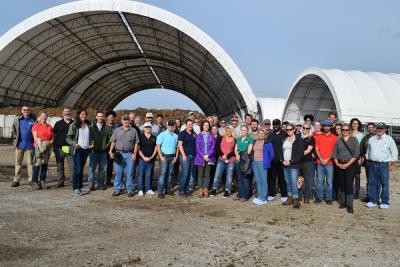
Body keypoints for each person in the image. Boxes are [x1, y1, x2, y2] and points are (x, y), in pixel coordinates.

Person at [365, 122, 398, 209]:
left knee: (384, 183)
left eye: (381, 128)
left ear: (385, 129)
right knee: (372, 183)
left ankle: (385, 202)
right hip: (372, 164)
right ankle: (373, 200)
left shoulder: (389, 139)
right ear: (376, 128)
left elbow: (394, 152)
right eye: (378, 128)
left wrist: (393, 164)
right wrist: (368, 159)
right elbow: (368, 151)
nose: (379, 130)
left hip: (384, 165)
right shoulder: (372, 139)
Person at [108, 114, 139, 197]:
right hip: (118, 154)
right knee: (118, 172)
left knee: (129, 173)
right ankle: (117, 189)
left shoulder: (133, 131)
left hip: (129, 154)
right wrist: (110, 151)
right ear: (121, 121)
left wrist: (135, 154)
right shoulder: (117, 130)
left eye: (127, 120)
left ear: (129, 121)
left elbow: (136, 143)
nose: (126, 121)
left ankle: (129, 190)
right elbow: (113, 141)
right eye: (124, 120)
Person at [332, 123, 360, 213]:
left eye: (346, 130)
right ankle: (343, 202)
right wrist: (337, 163)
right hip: (339, 164)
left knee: (349, 184)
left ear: (349, 131)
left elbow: (356, 154)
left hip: (350, 164)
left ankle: (350, 204)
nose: (344, 131)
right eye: (343, 130)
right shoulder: (338, 140)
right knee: (342, 183)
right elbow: (334, 153)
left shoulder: (354, 140)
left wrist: (348, 164)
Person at [67, 109, 93, 196]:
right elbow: (68, 138)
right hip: (78, 150)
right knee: (77, 169)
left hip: (86, 150)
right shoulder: (74, 125)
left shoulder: (89, 125)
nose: (84, 116)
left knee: (81, 169)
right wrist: (75, 144)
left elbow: (91, 137)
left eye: (85, 114)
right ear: (78, 115)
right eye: (82, 114)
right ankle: (75, 188)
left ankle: (80, 187)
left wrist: (91, 144)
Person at [11, 106, 36, 187]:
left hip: (30, 145)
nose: (26, 111)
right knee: (18, 163)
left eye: (28, 110)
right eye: (24, 110)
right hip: (19, 145)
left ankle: (31, 180)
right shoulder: (17, 120)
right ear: (21, 111)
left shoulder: (33, 120)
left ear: (30, 111)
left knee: (30, 164)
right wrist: (15, 139)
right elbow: (13, 130)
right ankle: (16, 180)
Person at [88, 111, 112, 191]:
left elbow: (111, 138)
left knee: (102, 169)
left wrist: (106, 145)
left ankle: (101, 184)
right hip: (93, 152)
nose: (100, 118)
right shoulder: (91, 127)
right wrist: (90, 145)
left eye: (102, 116)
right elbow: (88, 137)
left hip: (103, 152)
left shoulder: (107, 127)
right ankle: (91, 185)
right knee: (92, 169)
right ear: (96, 117)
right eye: (99, 116)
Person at [314, 120, 337, 204]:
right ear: (323, 126)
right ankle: (319, 197)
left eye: (328, 126)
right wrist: (321, 159)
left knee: (329, 182)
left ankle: (328, 198)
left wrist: (327, 159)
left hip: (330, 163)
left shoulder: (334, 137)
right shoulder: (318, 137)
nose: (326, 127)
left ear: (331, 126)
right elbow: (316, 149)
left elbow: (334, 150)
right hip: (320, 162)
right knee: (320, 181)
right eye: (325, 126)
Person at [281, 124, 304, 208]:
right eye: (287, 130)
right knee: (288, 182)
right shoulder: (284, 139)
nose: (289, 131)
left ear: (294, 130)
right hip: (285, 164)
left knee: (294, 182)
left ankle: (296, 200)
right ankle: (289, 198)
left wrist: (291, 161)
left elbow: (300, 154)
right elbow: (281, 151)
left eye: (290, 129)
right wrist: (282, 160)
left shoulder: (298, 140)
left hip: (294, 164)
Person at [210, 126, 236, 198]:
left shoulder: (235, 140)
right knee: (217, 175)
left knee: (229, 176)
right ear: (226, 131)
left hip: (231, 160)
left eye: (230, 131)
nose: (229, 132)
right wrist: (222, 155)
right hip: (221, 160)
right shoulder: (221, 138)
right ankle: (214, 189)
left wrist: (227, 156)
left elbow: (234, 151)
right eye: (227, 131)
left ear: (232, 131)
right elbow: (217, 147)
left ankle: (227, 190)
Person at [156, 120, 179, 198]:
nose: (171, 126)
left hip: (172, 157)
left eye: (172, 125)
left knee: (169, 174)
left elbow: (177, 147)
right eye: (169, 125)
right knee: (163, 174)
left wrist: (176, 156)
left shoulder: (176, 136)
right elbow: (158, 146)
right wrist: (161, 156)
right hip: (164, 157)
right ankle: (160, 191)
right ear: (167, 126)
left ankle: (167, 190)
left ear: (174, 126)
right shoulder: (162, 134)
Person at [31, 112, 54, 190]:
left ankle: (42, 181)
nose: (44, 117)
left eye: (45, 116)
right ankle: (34, 181)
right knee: (37, 164)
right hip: (38, 146)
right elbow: (35, 138)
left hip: (47, 147)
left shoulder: (50, 126)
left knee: (45, 164)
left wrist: (50, 143)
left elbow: (53, 137)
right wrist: (41, 146)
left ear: (47, 117)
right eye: (42, 116)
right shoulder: (36, 126)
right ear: (39, 117)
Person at [53, 107, 74, 188]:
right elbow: (54, 135)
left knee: (72, 166)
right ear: (63, 113)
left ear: (70, 113)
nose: (67, 113)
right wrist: (54, 146)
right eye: (65, 112)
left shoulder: (74, 123)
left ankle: (73, 181)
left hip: (70, 148)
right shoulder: (58, 123)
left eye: (68, 112)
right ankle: (60, 182)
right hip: (59, 148)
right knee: (59, 165)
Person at [252, 130, 274, 205]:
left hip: (262, 163)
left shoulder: (267, 142)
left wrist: (267, 161)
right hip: (255, 162)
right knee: (258, 180)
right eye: (260, 133)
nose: (261, 134)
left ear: (265, 134)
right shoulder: (255, 141)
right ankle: (260, 196)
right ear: (258, 134)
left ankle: (264, 198)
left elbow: (271, 154)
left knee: (263, 180)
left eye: (262, 133)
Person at [267, 119, 288, 202]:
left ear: (280, 125)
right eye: (274, 125)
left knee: (282, 178)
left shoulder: (285, 134)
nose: (275, 126)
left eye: (277, 125)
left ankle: (284, 194)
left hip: (282, 160)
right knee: (272, 178)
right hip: (272, 160)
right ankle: (271, 193)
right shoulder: (270, 135)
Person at [195, 121, 216, 198]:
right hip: (200, 158)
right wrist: (203, 155)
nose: (206, 126)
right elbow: (197, 147)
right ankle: (200, 189)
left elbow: (213, 147)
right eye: (205, 125)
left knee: (207, 175)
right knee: (200, 175)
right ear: (202, 126)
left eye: (207, 125)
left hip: (209, 158)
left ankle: (206, 189)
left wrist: (208, 155)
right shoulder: (199, 135)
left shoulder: (211, 135)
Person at [234, 125, 254, 201]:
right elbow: (235, 149)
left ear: (247, 131)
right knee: (239, 178)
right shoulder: (238, 139)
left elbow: (248, 151)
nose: (243, 131)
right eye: (242, 130)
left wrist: (240, 155)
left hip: (245, 162)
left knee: (245, 178)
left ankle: (245, 195)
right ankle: (240, 194)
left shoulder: (250, 139)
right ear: (240, 131)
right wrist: (236, 155)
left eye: (245, 130)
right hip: (238, 161)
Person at [178, 119, 197, 197]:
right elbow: (180, 145)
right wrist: (184, 155)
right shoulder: (182, 133)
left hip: (192, 156)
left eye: (191, 124)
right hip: (184, 156)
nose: (190, 126)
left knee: (189, 174)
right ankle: (181, 190)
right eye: (188, 124)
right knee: (185, 173)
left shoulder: (194, 134)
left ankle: (186, 189)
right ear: (186, 125)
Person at [137, 122, 157, 196]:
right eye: (146, 127)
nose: (148, 128)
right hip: (142, 159)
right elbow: (138, 149)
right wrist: (144, 157)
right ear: (144, 128)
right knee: (141, 174)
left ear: (151, 128)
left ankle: (148, 189)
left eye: (149, 127)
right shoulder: (140, 137)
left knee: (148, 175)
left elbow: (155, 148)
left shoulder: (154, 137)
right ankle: (140, 189)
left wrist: (152, 156)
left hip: (151, 159)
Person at [359, 123, 376, 202]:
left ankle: (376, 197)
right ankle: (369, 196)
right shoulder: (365, 138)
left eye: (372, 127)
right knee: (369, 180)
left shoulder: (378, 137)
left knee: (377, 181)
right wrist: (361, 158)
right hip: (368, 162)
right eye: (369, 128)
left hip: (377, 162)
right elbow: (361, 149)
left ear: (375, 128)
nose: (370, 129)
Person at [300, 124, 315, 204]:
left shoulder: (311, 138)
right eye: (304, 128)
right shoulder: (299, 137)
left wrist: (298, 154)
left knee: (308, 180)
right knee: (299, 179)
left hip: (307, 161)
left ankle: (307, 197)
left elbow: (308, 150)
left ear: (310, 129)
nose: (305, 129)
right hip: (299, 162)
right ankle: (299, 195)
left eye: (307, 128)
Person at [350, 118, 364, 199]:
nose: (355, 125)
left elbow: (362, 148)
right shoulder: (348, 133)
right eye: (353, 123)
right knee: (349, 175)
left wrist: (361, 158)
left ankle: (356, 192)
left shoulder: (361, 135)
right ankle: (350, 191)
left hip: (357, 157)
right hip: (349, 157)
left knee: (357, 176)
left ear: (358, 125)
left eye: (356, 123)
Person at [105, 110, 118, 186]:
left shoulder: (116, 127)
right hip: (105, 149)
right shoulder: (103, 126)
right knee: (104, 166)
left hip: (114, 149)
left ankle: (109, 180)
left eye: (112, 117)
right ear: (107, 118)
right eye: (109, 117)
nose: (111, 119)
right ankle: (104, 180)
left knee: (113, 166)